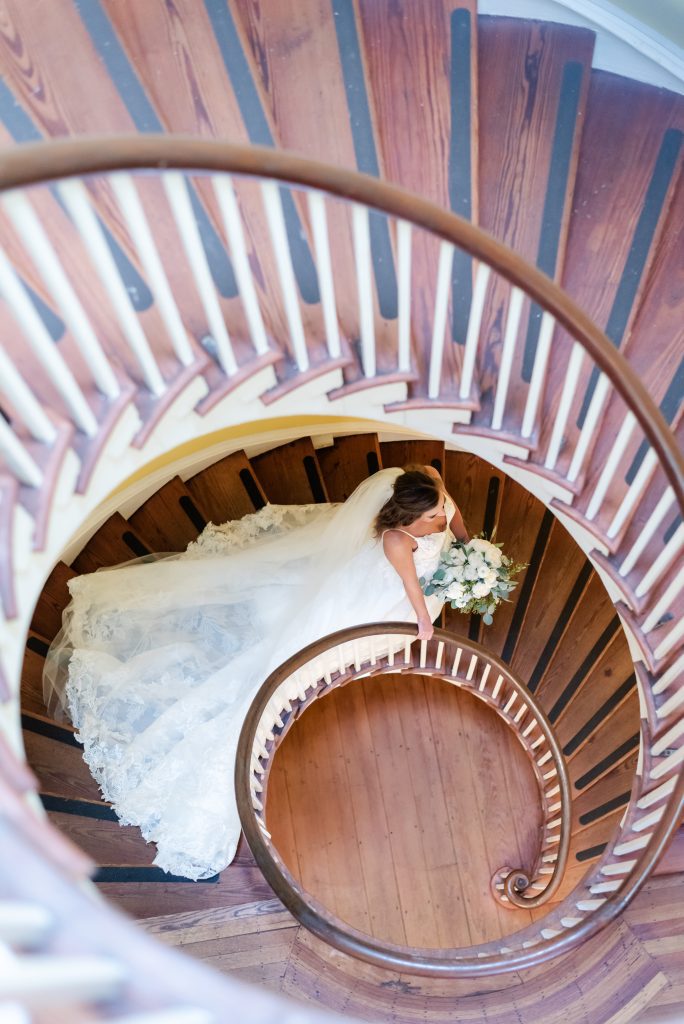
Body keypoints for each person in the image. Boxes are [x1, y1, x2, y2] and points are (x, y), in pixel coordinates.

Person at [43, 464, 468, 880]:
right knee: (310, 646)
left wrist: (468, 549)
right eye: (431, 518)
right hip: (385, 592)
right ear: (405, 517)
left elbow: (453, 514)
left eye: (438, 511)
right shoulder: (395, 541)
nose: (440, 519)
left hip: (411, 577)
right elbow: (413, 589)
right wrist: (424, 625)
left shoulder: (430, 483)